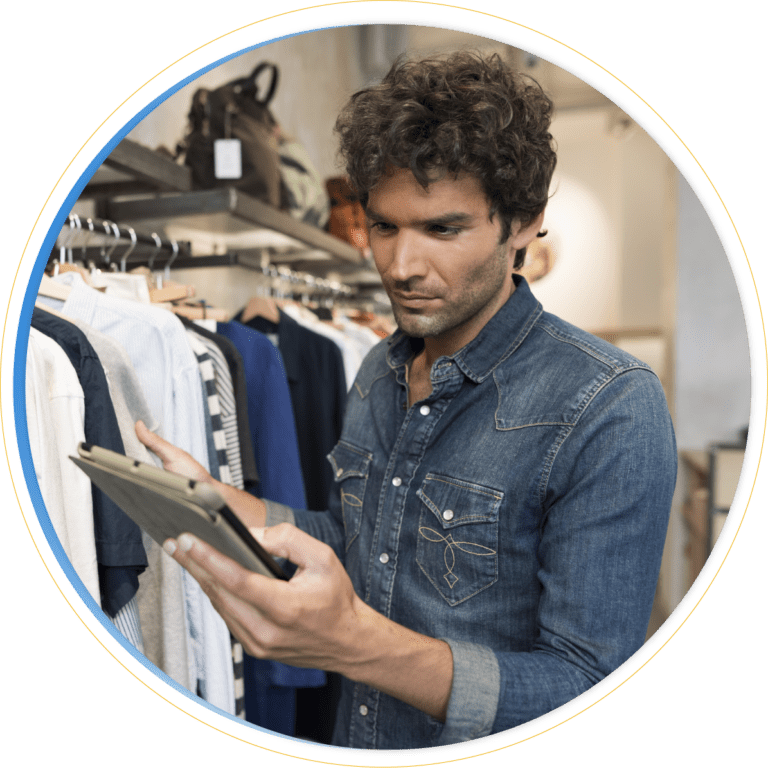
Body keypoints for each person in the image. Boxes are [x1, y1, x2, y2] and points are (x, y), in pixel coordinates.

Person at [136, 51, 676, 750]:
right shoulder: (377, 370)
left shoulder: (610, 406)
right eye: (384, 226)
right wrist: (218, 499)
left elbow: (590, 686)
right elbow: (361, 541)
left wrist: (356, 645)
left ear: (522, 224)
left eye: (442, 229)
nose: (400, 267)